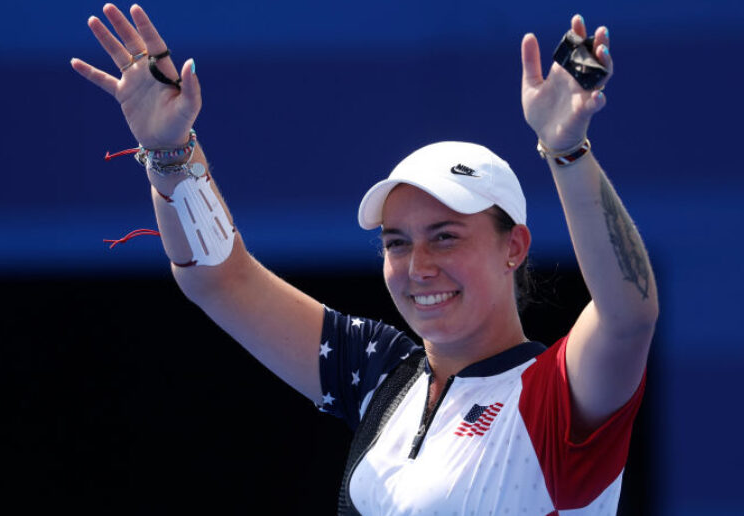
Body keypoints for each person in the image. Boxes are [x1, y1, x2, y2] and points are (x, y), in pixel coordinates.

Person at [71, 4, 657, 514]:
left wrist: (566, 152)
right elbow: (221, 280)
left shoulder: (555, 396)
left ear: (515, 247)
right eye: (396, 241)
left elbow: (628, 315)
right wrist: (169, 151)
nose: (417, 264)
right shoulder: (382, 375)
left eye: (446, 236)